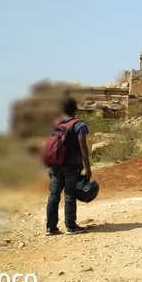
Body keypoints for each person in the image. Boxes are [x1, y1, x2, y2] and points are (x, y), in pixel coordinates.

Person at [46, 97, 92, 236]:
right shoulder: (79, 125)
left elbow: (49, 145)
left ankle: (51, 228)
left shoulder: (55, 124)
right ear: (75, 110)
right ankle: (71, 226)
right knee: (70, 194)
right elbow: (83, 146)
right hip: (71, 165)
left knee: (54, 194)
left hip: (55, 164)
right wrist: (88, 167)